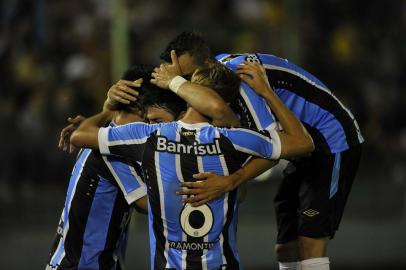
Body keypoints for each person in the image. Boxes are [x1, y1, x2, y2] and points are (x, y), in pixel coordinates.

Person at [69, 62, 314, 269]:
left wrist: (109, 109)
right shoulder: (234, 140)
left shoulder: (150, 136)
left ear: (190, 92)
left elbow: (79, 136)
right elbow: (303, 143)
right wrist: (267, 93)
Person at [156, 31, 364, 270]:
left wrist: (231, 181)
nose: (187, 85)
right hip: (301, 152)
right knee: (285, 247)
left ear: (209, 65)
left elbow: (272, 149)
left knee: (310, 242)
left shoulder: (241, 79)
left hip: (332, 140)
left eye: (188, 76)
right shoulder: (218, 79)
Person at [46, 65, 186, 270]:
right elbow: (150, 205)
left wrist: (107, 109)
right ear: (141, 108)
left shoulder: (100, 135)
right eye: (152, 117)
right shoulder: (114, 153)